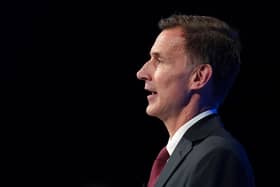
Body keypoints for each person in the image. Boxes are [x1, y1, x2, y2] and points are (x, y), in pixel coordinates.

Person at [136, 14, 255, 187]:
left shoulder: (217, 156)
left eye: (159, 60)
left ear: (199, 77)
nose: (141, 73)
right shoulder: (180, 156)